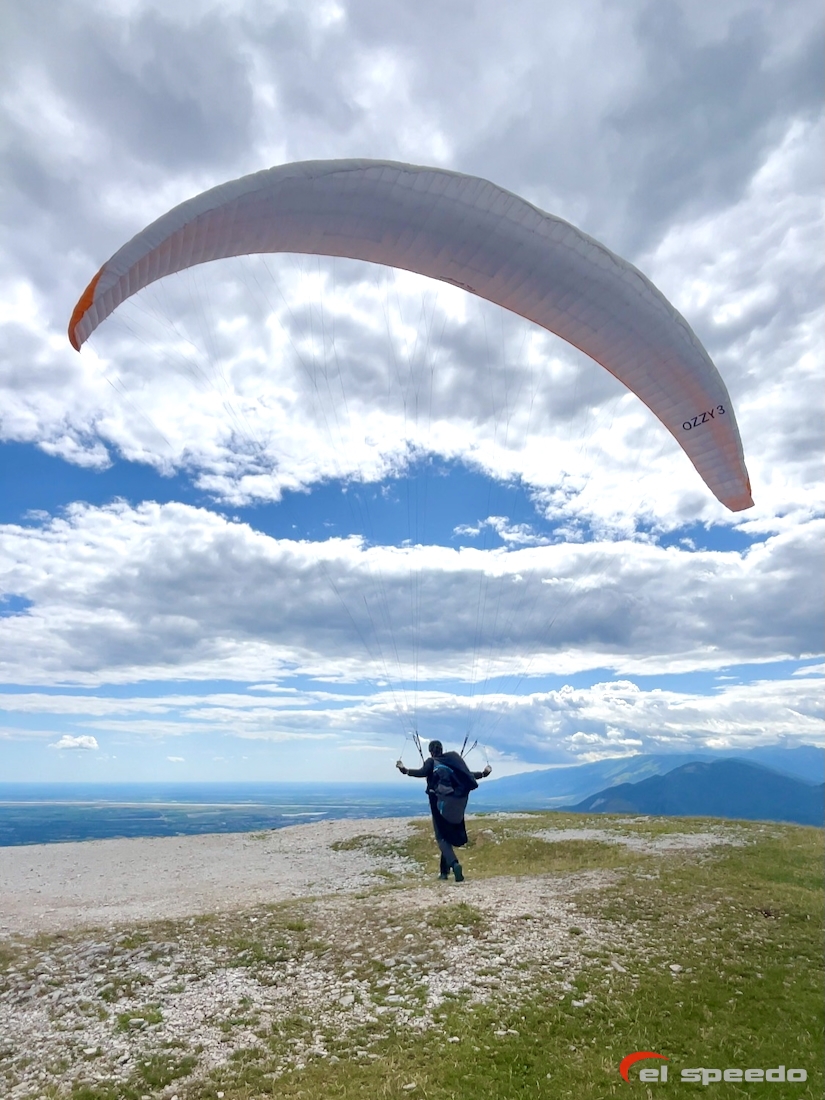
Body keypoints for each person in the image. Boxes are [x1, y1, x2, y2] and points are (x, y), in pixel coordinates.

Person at [396, 740, 492, 882]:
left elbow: (421, 772)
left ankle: (454, 864)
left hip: (440, 804)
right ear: (442, 749)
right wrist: (484, 774)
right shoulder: (452, 761)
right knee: (447, 836)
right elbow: (468, 774)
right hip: (458, 804)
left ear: (431, 751)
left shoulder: (431, 762)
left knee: (441, 837)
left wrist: (404, 770)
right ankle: (444, 873)